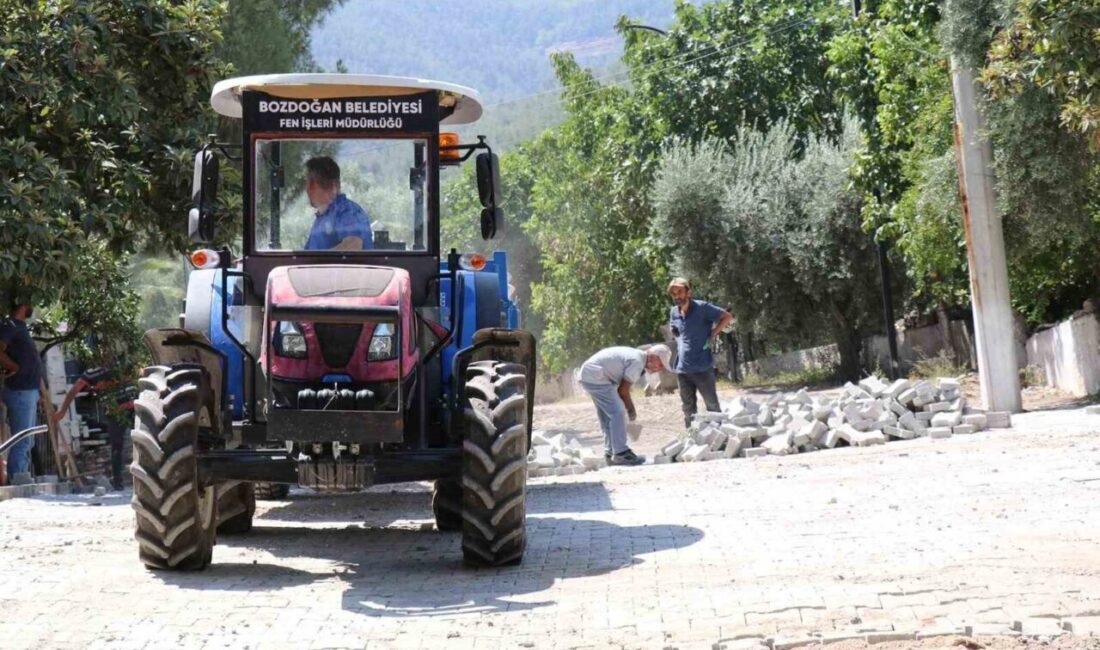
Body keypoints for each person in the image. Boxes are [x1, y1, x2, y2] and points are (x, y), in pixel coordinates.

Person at [578, 344, 672, 466]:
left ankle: (610, 452)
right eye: (660, 364)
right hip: (596, 376)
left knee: (608, 417)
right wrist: (631, 410)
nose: (658, 369)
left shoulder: (637, 357)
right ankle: (621, 453)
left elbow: (623, 386)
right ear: (653, 356)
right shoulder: (638, 362)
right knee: (618, 412)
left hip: (591, 374)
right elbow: (622, 391)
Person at [53, 364, 135, 491]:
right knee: (117, 447)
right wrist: (63, 411)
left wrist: (110, 382)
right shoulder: (91, 373)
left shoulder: (123, 363)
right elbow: (74, 390)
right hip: (115, 411)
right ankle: (118, 481)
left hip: (134, 406)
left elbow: (136, 374)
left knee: (135, 442)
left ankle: (127, 479)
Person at [667, 278, 734, 429]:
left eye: (680, 292)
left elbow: (727, 317)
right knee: (688, 409)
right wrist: (677, 335)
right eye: (674, 294)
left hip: (702, 367)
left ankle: (720, 438)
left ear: (688, 292)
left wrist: (712, 334)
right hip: (682, 369)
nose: (677, 296)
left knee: (712, 406)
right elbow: (674, 329)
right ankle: (691, 439)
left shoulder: (702, 308)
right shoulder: (673, 312)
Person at [0, 303, 42, 483]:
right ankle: (17, 481)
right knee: (22, 440)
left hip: (27, 391)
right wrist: (13, 366)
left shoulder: (19, 327)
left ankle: (20, 478)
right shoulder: (11, 326)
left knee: (27, 441)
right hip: (20, 391)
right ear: (23, 305)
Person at [303, 156, 374, 251]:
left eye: (310, 184)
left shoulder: (346, 211)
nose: (307, 189)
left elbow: (353, 246)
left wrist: (315, 261)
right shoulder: (323, 218)